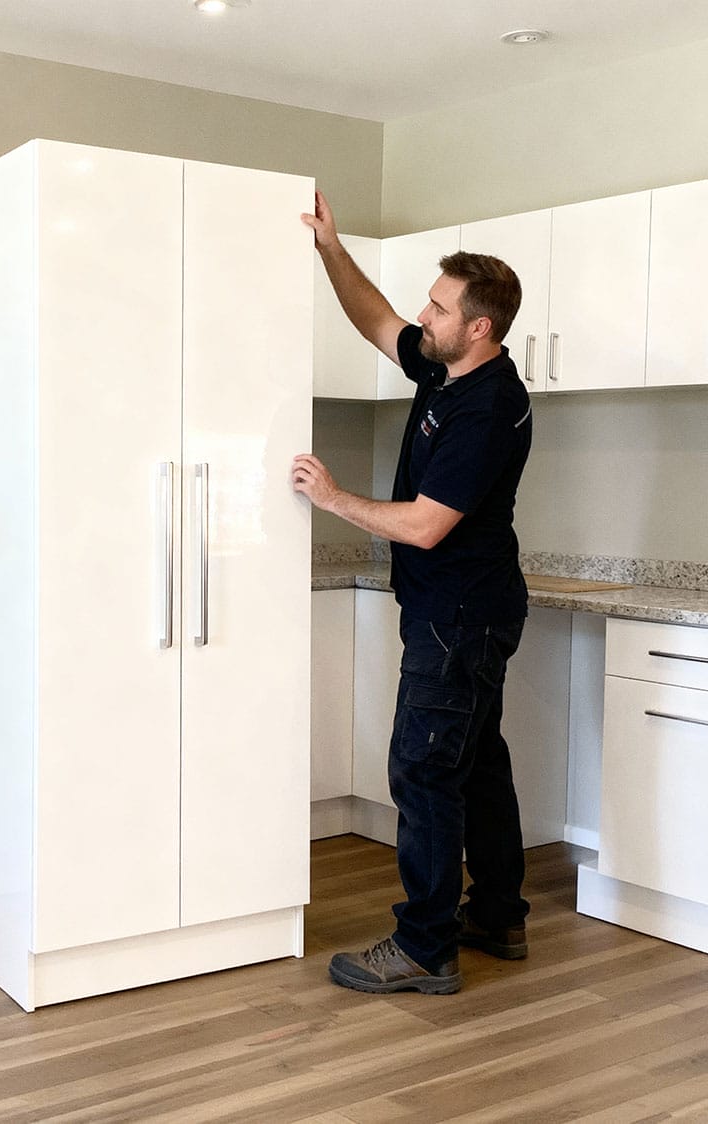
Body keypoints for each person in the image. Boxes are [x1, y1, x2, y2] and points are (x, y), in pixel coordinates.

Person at [293, 189, 533, 996]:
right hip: (466, 608)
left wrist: (334, 498)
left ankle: (425, 946)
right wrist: (330, 247)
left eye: (438, 309)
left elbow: (429, 526)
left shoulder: (488, 406)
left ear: (480, 328)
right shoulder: (445, 368)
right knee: (476, 765)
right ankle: (497, 915)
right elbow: (374, 318)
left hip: (458, 615)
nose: (421, 319)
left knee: (423, 772)